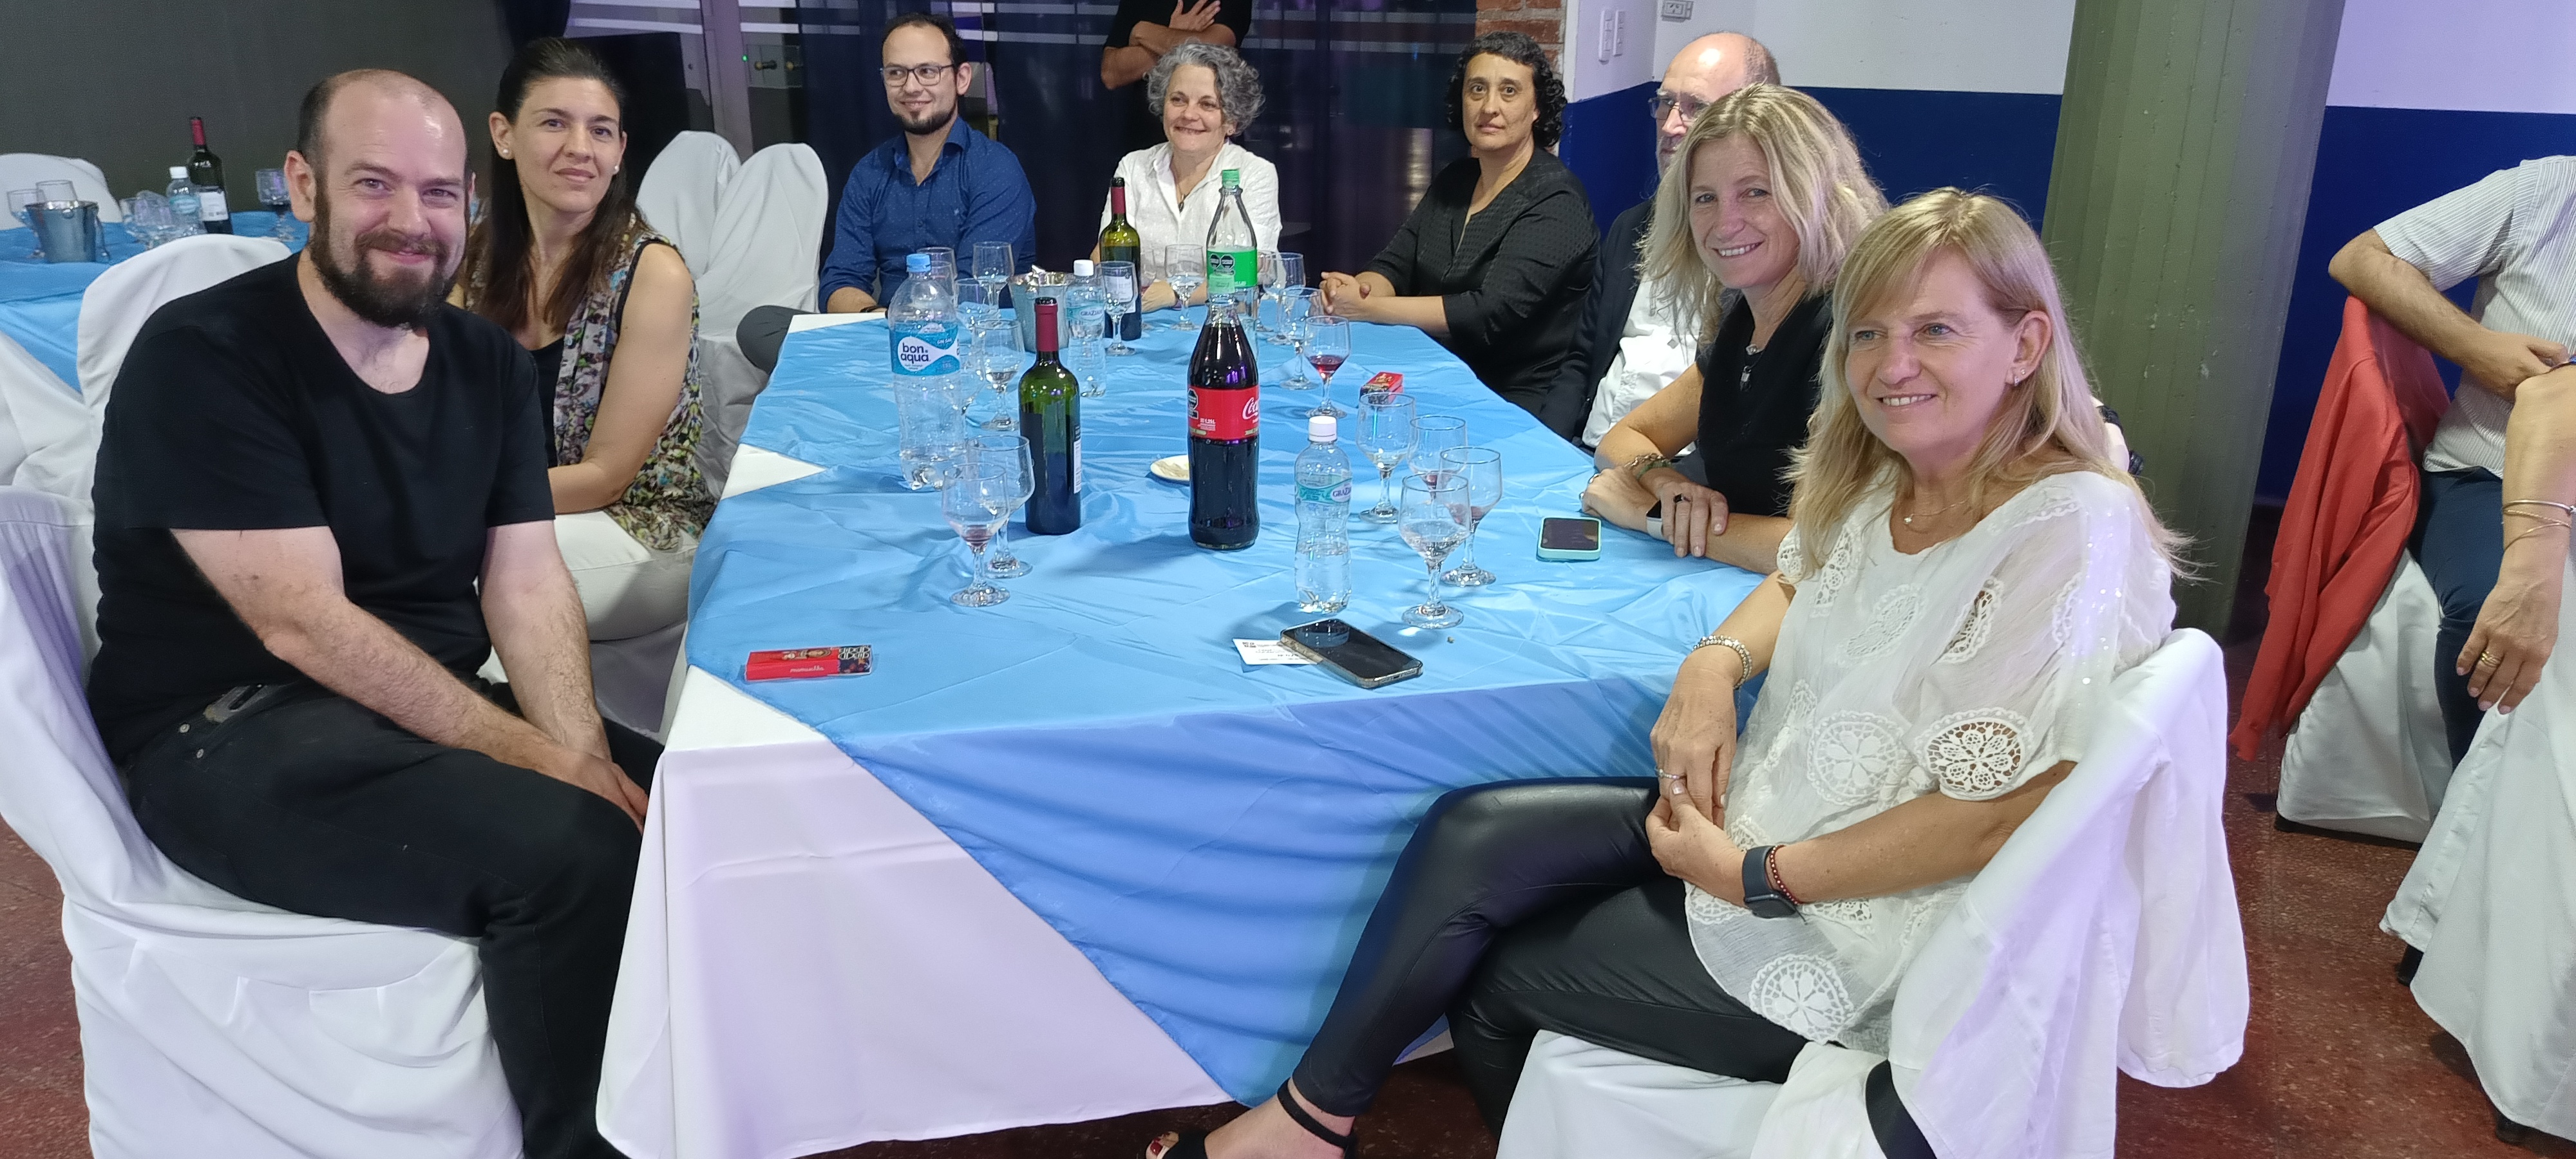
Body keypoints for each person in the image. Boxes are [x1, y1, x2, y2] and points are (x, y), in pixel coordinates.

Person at [1146, 188, 2181, 1159]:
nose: (1890, 363)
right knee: (1474, 836)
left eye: (1936, 330)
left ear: (2026, 344)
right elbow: (1802, 572)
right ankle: (1307, 1125)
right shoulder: (1898, 477)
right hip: (1774, 811)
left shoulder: (2068, 523)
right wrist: (1710, 667)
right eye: (1868, 334)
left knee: (1498, 986)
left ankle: (1305, 1130)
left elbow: (1995, 819)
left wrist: (1752, 875)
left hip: (1878, 931)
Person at [85, 70, 656, 1159]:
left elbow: (526, 580)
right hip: (226, 729)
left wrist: (580, 752)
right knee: (573, 852)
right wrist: (544, 766)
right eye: (374, 185)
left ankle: (688, 1100)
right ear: (304, 186)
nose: (411, 221)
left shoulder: (487, 364)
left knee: (683, 802)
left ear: (470, 203)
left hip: (405, 709)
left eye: (438, 194)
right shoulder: (207, 355)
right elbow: (301, 624)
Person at [457, 37, 710, 643]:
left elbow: (605, 477)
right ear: (503, 134)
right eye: (554, 123)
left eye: (600, 131)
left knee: (463, 575)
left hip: (639, 526)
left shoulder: (653, 273)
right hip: (505, 513)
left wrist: (454, 499)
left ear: (620, 152)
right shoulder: (475, 257)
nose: (580, 148)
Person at [2327, 155, 2576, 763]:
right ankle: (2474, 800)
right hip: (2486, 472)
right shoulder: (2548, 189)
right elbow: (2362, 257)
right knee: (2489, 602)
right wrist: (2475, 347)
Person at [1581, 84, 1886, 572]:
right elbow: (1626, 436)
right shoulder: (1741, 315)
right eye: (1705, 198)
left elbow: (1819, 546)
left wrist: (1649, 514)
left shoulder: (1851, 336)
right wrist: (1667, 483)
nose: (1725, 224)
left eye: (1756, 192)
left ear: (1819, 196)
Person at [739, 12, 1038, 371]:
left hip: (967, 342)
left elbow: (972, 293)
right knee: (760, 325)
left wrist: (900, 325)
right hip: (880, 332)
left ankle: (863, 373)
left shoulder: (995, 169)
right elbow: (840, 282)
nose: (911, 87)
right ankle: (880, 367)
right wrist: (881, 317)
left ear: (961, 78)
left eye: (927, 71)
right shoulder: (870, 173)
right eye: (896, 73)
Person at [1318, 32, 1595, 413]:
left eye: (1509, 91)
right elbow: (1396, 264)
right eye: (1477, 89)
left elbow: (1486, 313)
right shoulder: (1457, 179)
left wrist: (1367, 309)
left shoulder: (1557, 200)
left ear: (1537, 109)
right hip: (1437, 376)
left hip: (1515, 398)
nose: (1489, 107)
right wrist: (1356, 290)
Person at [1537, 32, 1777, 448]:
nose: (1670, 125)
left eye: (1697, 107)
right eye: (1666, 102)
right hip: (1589, 449)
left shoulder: (1761, 247)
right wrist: (1545, 447)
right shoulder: (1631, 228)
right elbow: (1581, 359)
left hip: (1685, 469)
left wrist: (1652, 475)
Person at [1096, 42, 1280, 314]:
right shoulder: (1133, 167)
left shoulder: (1255, 174)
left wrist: (1174, 293)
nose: (1189, 114)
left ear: (1232, 121)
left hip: (1225, 319)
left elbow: (1250, 273)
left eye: (1207, 104)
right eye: (1178, 100)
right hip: (1145, 320)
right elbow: (1106, 257)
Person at [1101, 0, 1251, 155]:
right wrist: (1175, 34)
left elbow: (1213, 49)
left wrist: (1143, 32)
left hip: (1211, 146)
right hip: (1145, 142)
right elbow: (1111, 73)